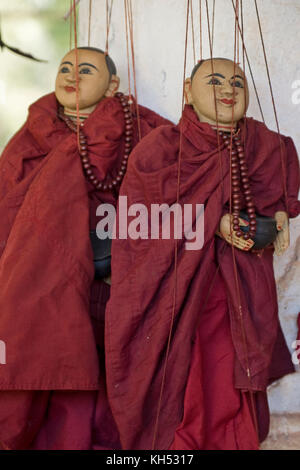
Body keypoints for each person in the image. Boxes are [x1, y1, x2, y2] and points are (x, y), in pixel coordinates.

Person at [105, 58, 300, 450]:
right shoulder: (160, 149)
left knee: (231, 362)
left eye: (237, 83)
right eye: (214, 81)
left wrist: (279, 215)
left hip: (238, 286)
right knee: (189, 370)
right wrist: (214, 221)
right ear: (186, 90)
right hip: (181, 288)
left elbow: (272, 193)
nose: (228, 90)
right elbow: (140, 220)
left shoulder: (263, 144)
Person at [0, 46, 170, 450]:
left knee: (110, 385)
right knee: (48, 370)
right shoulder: (32, 133)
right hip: (40, 280)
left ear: (113, 84)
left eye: (86, 69)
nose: (71, 76)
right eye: (65, 68)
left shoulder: (140, 129)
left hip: (115, 279)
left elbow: (174, 184)